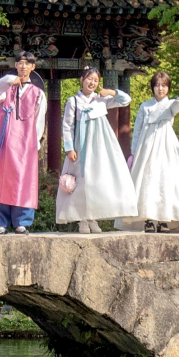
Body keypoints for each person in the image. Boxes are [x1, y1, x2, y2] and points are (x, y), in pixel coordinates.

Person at [57, 67, 137, 233]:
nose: (92, 83)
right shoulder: (73, 101)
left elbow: (126, 100)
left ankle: (94, 218)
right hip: (81, 145)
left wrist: (111, 92)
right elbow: (67, 126)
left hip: (101, 146)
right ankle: (83, 219)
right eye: (89, 79)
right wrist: (69, 148)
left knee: (98, 181)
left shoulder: (101, 99)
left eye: (95, 80)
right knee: (81, 181)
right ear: (81, 79)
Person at [118, 71, 179, 232]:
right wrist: (134, 151)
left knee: (166, 179)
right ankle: (149, 218)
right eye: (157, 85)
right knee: (147, 180)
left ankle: (164, 218)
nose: (160, 89)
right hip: (146, 147)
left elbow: (176, 106)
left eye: (164, 85)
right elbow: (137, 129)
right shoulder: (145, 106)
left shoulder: (171, 104)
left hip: (166, 147)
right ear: (152, 87)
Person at [0, 51, 46, 234]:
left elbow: (39, 120)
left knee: (23, 180)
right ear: (16, 65)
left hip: (25, 143)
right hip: (2, 141)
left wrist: (36, 144)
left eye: (27, 63)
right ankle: (0, 222)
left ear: (33, 67)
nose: (23, 66)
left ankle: (22, 221)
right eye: (20, 63)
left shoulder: (38, 93)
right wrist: (11, 79)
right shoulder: (6, 88)